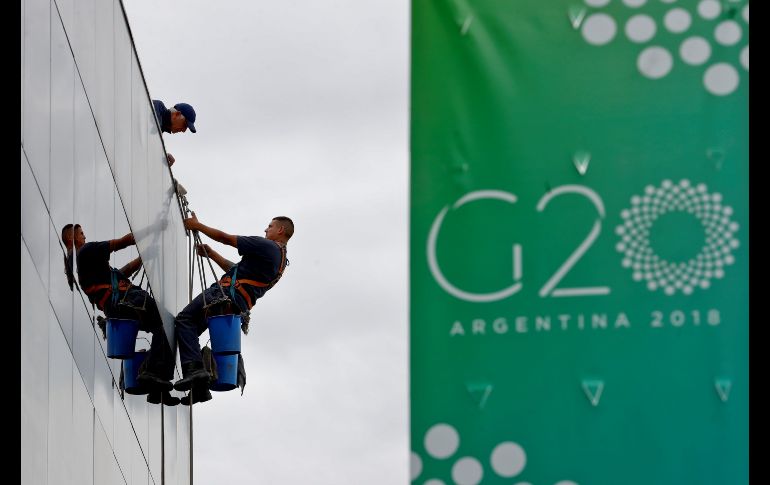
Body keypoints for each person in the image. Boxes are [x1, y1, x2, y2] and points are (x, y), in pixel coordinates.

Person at [172, 214, 293, 405]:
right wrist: (212, 254)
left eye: (270, 226)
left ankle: (194, 371)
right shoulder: (279, 261)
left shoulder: (268, 246)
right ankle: (200, 389)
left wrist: (197, 225)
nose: (265, 229)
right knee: (189, 330)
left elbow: (226, 238)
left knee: (184, 320)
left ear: (280, 230)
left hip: (222, 295)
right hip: (234, 305)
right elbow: (235, 270)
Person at [61, 224, 180, 406]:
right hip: (127, 301)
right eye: (81, 233)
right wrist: (152, 229)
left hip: (118, 308)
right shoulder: (86, 251)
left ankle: (158, 389)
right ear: (72, 238)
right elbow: (122, 242)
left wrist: (143, 257)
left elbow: (121, 274)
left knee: (161, 329)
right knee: (169, 323)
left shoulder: (83, 266)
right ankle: (151, 371)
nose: (85, 236)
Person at [152, 99, 197, 167]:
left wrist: (162, 155)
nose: (184, 131)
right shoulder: (156, 106)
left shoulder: (160, 127)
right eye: (184, 125)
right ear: (177, 114)